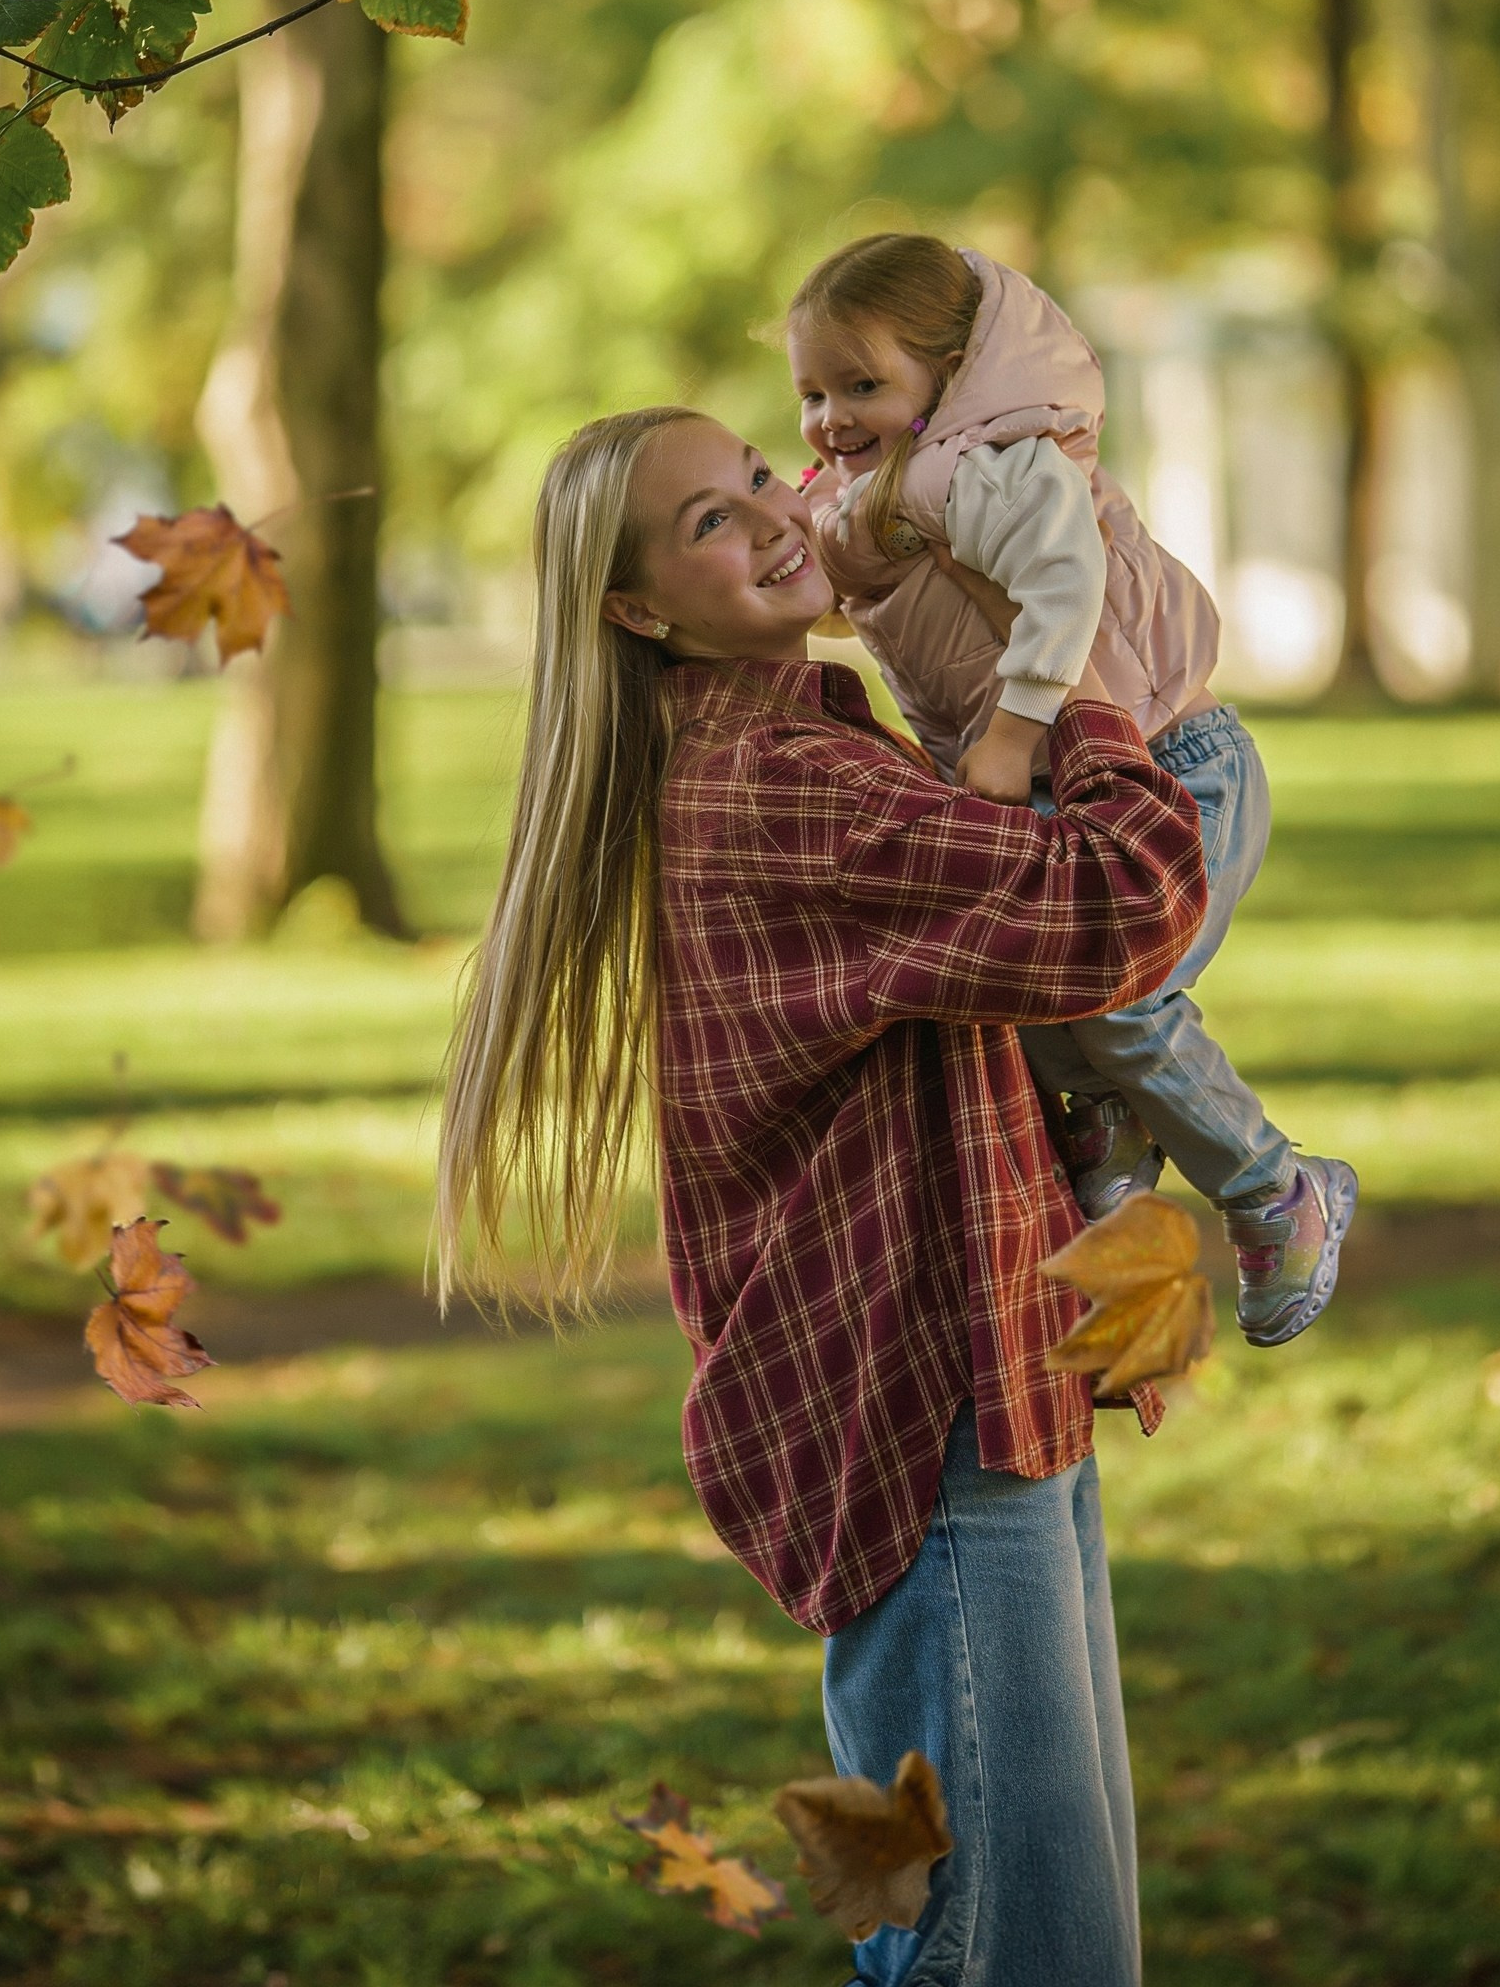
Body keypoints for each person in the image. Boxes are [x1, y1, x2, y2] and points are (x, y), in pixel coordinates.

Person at [438, 406, 1212, 1985]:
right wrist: (1080, 671)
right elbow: (1118, 902)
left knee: (1066, 1944)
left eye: (756, 479)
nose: (775, 518)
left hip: (997, 1380)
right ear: (636, 611)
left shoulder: (819, 740)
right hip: (923, 1418)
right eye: (710, 524)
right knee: (998, 1953)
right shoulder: (781, 783)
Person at [784, 233, 1355, 1348]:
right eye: (811, 393)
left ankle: (1278, 1192)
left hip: (1175, 767)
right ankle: (1111, 1124)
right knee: (1035, 986)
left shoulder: (993, 466)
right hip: (1072, 788)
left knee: (1119, 999)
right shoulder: (881, 491)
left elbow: (1065, 588)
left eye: (862, 385)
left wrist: (1007, 738)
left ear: (949, 376)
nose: (829, 418)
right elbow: (861, 597)